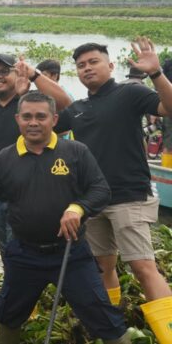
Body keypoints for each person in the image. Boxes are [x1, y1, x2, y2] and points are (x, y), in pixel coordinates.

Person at [0, 92, 130, 344]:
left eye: (41, 117)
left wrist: (78, 208)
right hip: (24, 253)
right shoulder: (5, 158)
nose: (33, 122)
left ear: (54, 119)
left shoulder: (75, 151)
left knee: (103, 316)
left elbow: (100, 190)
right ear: (17, 119)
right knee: (7, 314)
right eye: (27, 116)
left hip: (71, 253)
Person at [55, 39, 172, 339]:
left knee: (143, 267)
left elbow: (169, 107)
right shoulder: (78, 109)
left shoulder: (130, 93)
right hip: (93, 200)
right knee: (102, 266)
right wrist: (29, 79)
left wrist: (156, 73)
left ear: (110, 65)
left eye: (93, 62)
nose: (87, 68)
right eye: (81, 65)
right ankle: (112, 329)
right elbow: (45, 124)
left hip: (128, 196)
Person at [0, 54, 71, 254]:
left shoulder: (31, 103)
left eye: (4, 71)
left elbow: (65, 103)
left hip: (30, 196)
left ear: (17, 73)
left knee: (27, 253)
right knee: (8, 255)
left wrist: (33, 75)